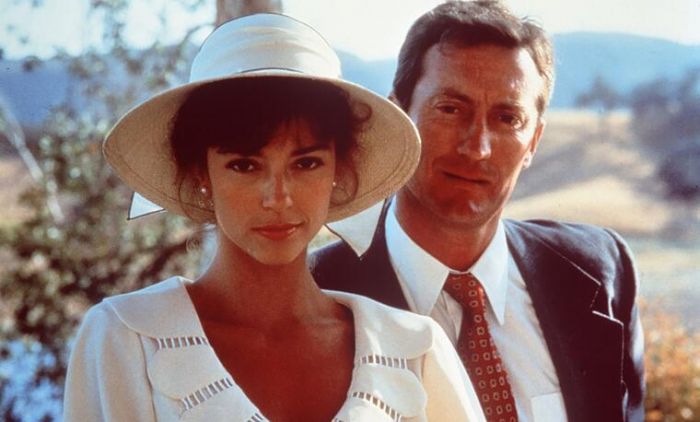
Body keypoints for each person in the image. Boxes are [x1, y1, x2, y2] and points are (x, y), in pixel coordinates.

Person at [63, 13, 486, 422]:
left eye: (306, 164)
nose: (278, 197)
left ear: (338, 170)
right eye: (245, 165)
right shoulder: (127, 339)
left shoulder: (414, 351)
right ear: (201, 173)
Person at [310, 2, 645, 422]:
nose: (477, 148)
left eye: (508, 118)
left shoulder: (600, 268)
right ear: (399, 118)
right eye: (450, 109)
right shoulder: (312, 294)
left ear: (534, 141)